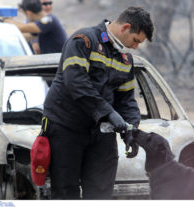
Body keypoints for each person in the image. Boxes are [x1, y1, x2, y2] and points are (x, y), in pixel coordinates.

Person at [43, 6, 154, 199]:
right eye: (135, 40)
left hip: (101, 134)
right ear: (125, 27)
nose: (135, 47)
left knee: (101, 193)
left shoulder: (126, 59)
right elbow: (76, 83)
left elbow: (127, 99)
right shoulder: (84, 41)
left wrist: (131, 130)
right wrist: (109, 113)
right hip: (66, 129)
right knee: (65, 192)